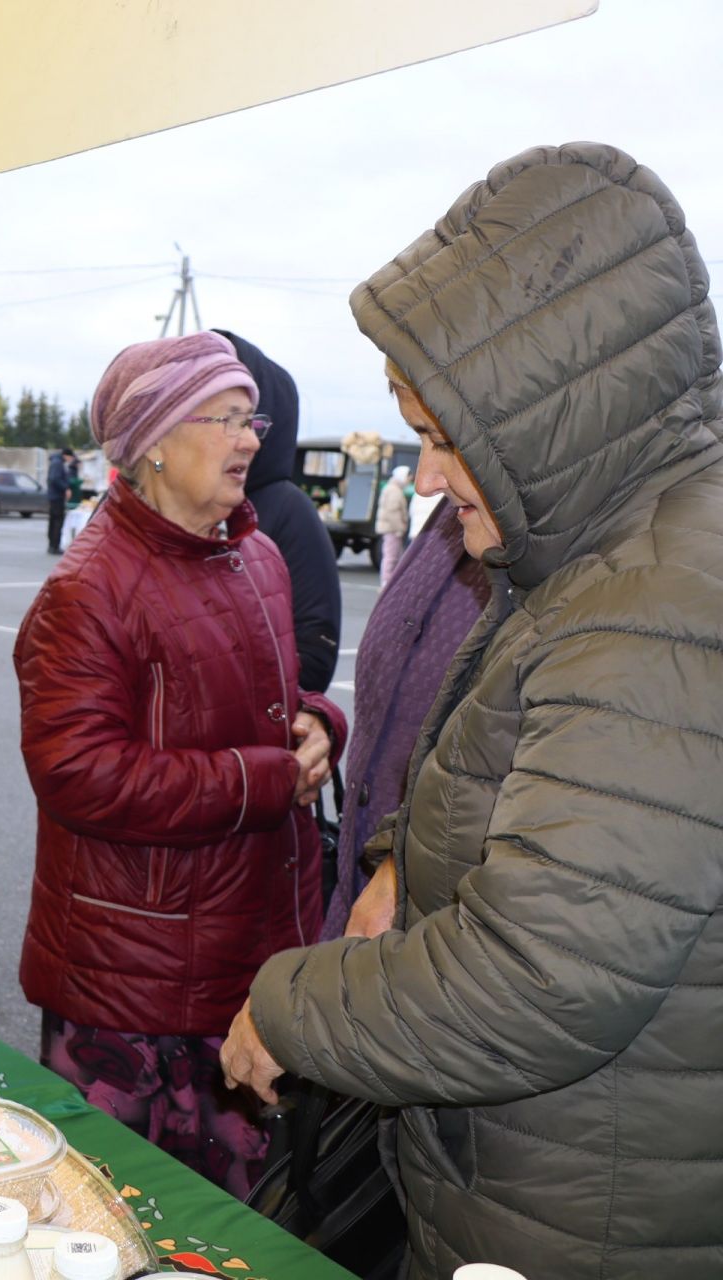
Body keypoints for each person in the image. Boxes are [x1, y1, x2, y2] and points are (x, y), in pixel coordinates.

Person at [222, 144, 723, 1278]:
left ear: (552, 419)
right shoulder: (604, 553)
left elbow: (542, 978)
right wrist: (404, 857)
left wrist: (292, 1003)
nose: (434, 480)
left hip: (586, 1218)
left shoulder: (661, 605)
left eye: (450, 442)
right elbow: (523, 772)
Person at [15, 330, 345, 1196]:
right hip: (132, 992)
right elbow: (80, 772)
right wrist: (267, 778)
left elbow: (270, 697)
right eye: (228, 419)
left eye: (254, 417)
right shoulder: (87, 591)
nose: (252, 439)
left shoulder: (257, 557)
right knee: (117, 1218)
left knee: (239, 1225)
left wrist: (318, 728)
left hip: (248, 955)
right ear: (155, 441)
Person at [322, 442, 489, 939]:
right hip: (375, 916)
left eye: (445, 440)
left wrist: (399, 865)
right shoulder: (455, 517)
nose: (424, 480)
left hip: (441, 952)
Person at [214, 330, 343, 692]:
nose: (244, 438)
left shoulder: (288, 509)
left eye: (249, 421)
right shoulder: (151, 502)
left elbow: (316, 645)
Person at [374, 464, 412, 585]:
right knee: (391, 556)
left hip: (390, 528)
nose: (408, 481)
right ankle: (386, 582)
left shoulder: (392, 488)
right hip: (392, 529)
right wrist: (400, 528)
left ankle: (388, 581)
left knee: (392, 555)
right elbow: (392, 512)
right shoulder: (394, 491)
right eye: (408, 478)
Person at [46, 446, 75, 553]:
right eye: (70, 457)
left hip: (53, 496)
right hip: (57, 496)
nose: (70, 460)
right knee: (57, 521)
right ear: (66, 455)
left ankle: (52, 545)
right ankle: (55, 545)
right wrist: (65, 488)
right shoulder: (58, 463)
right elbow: (55, 479)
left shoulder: (55, 461)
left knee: (53, 521)